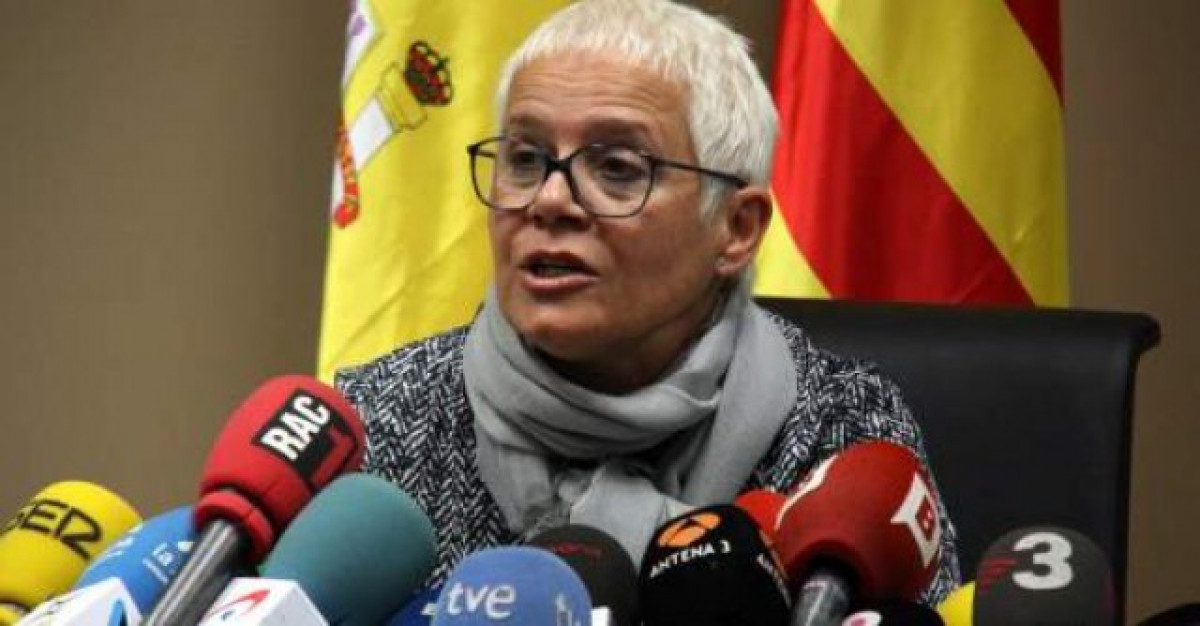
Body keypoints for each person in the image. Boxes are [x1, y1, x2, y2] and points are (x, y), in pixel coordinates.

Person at [336, 0, 960, 605]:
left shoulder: (844, 435)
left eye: (616, 168)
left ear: (736, 229)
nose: (549, 200)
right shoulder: (379, 421)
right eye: (525, 159)